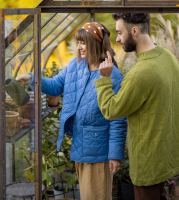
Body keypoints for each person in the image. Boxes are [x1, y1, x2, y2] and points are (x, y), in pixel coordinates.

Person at [16, 22, 127, 200]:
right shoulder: (76, 66)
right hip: (80, 146)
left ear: (95, 43)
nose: (79, 47)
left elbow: (118, 119)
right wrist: (32, 78)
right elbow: (55, 86)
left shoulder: (112, 75)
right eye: (78, 42)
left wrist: (115, 155)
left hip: (98, 152)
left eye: (83, 42)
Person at [94, 13, 179, 200]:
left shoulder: (139, 74)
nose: (117, 38)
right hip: (166, 158)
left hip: (148, 165)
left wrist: (104, 79)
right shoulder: (169, 57)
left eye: (119, 32)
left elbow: (111, 110)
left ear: (134, 31)